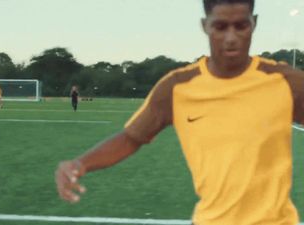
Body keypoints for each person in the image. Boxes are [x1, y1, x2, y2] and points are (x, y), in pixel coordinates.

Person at [55, 0, 304, 224]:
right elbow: (131, 138)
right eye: (220, 26)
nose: (231, 37)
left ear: (255, 24)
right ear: (205, 25)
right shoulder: (178, 87)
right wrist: (80, 163)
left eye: (241, 26)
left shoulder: (285, 81)